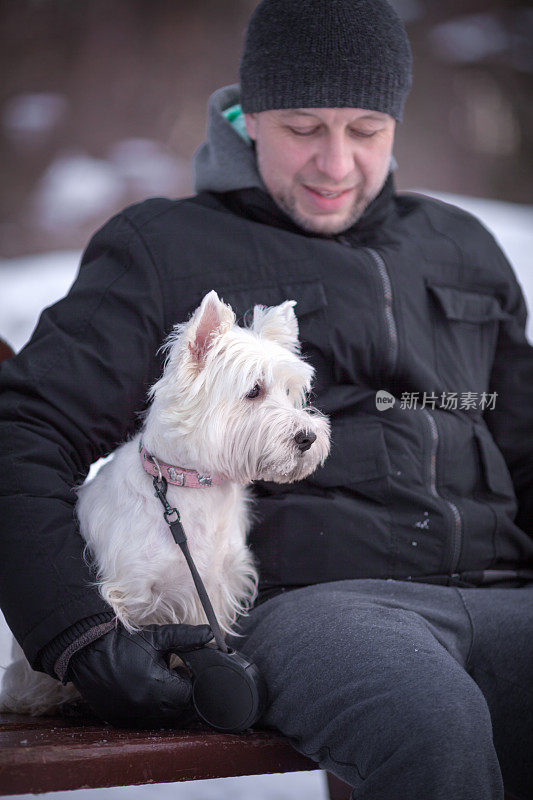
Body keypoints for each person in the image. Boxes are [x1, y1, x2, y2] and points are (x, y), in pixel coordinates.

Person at [1, 0, 532, 796]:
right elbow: (25, 429)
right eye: (303, 128)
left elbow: (522, 438)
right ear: (247, 116)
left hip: (506, 594)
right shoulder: (164, 247)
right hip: (322, 610)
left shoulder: (460, 245)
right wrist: (75, 634)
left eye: (365, 130)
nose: (335, 164)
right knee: (431, 727)